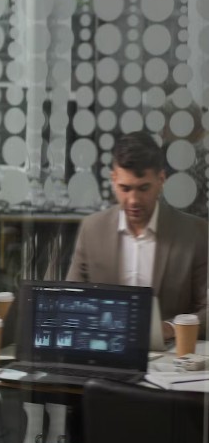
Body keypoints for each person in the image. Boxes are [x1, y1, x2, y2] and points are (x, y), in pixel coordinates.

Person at [67, 131, 208, 339]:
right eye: (125, 188)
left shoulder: (194, 233)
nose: (133, 200)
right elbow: (70, 302)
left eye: (143, 188)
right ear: (113, 180)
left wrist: (170, 329)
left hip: (169, 360)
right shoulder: (92, 230)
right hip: (106, 353)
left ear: (161, 179)